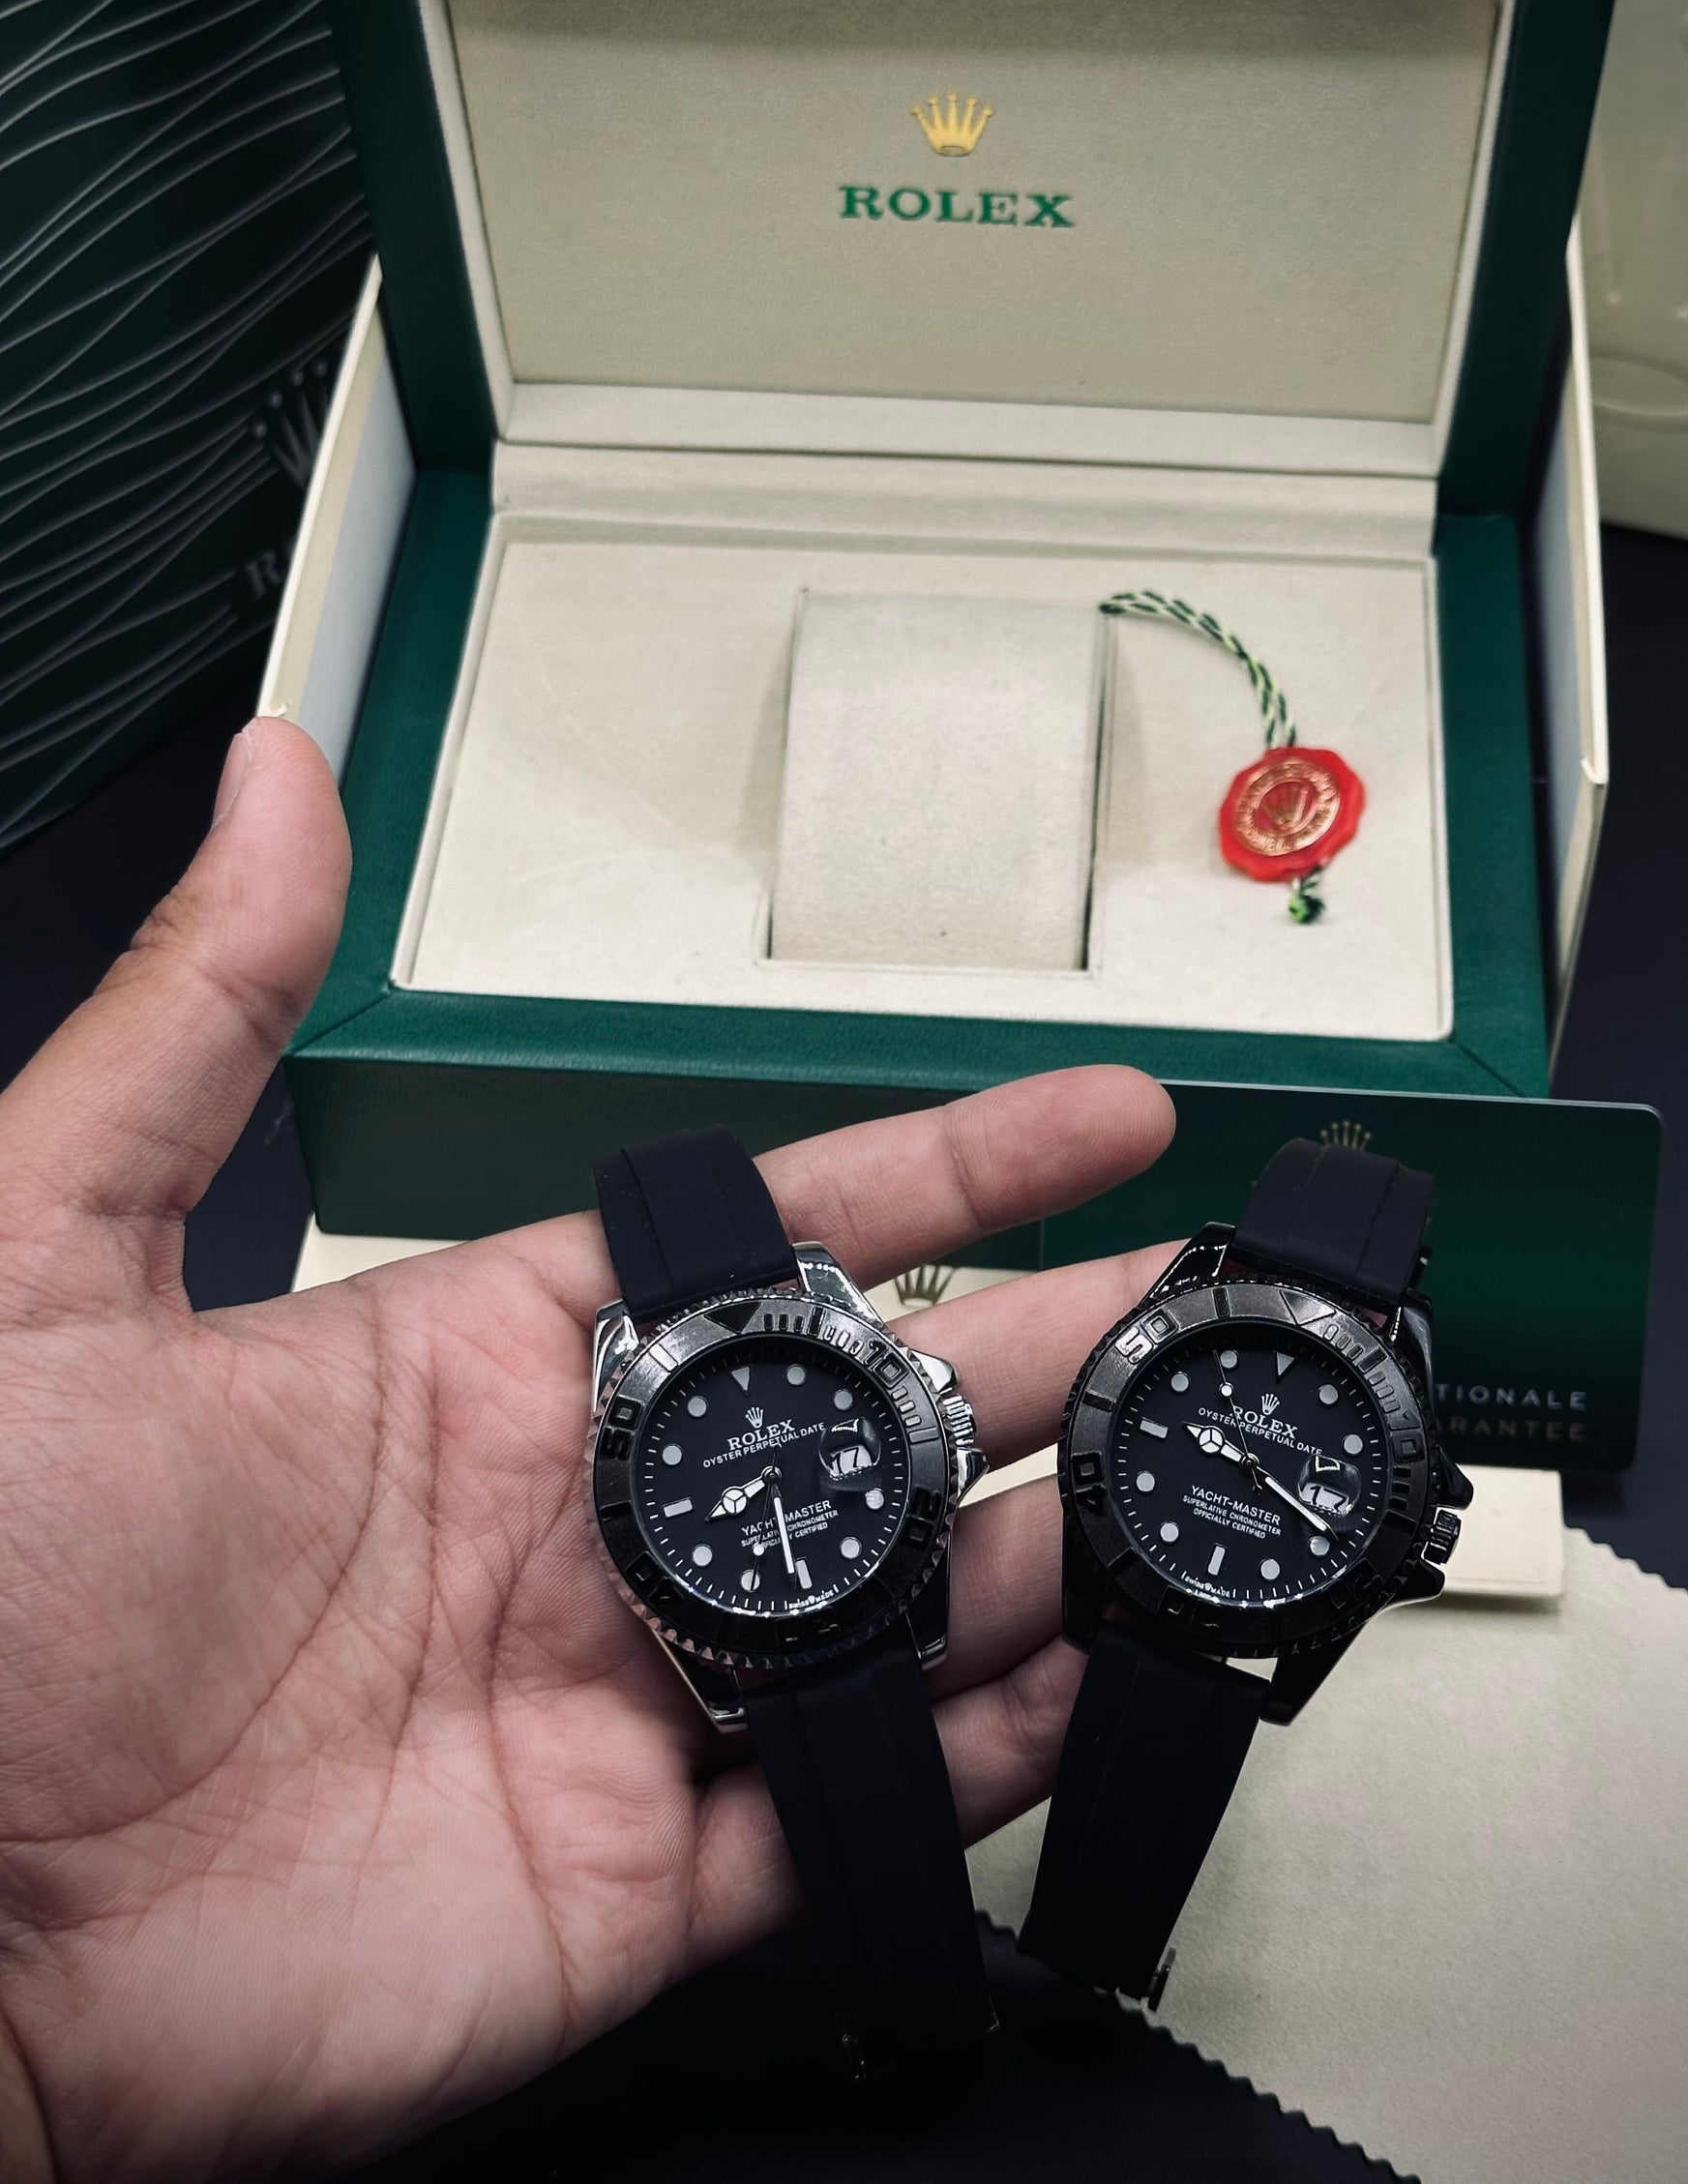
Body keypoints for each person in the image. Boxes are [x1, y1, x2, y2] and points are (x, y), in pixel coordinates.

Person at [0, 720, 1176, 2180]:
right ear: (629, 1516)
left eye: (910, 1405)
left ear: (922, 1405)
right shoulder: (659, 1492)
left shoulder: (804, 1427)